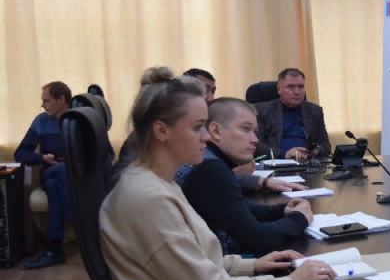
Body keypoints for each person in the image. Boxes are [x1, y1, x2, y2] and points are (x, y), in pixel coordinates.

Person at [100, 67, 354, 280]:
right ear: (161, 130)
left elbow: (192, 263)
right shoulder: (147, 198)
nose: (206, 137)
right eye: (197, 127)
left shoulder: (156, 182)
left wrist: (252, 265)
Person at [111, 68, 304, 193]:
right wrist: (243, 178)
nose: (210, 98)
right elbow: (201, 177)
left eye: (213, 91)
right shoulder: (144, 144)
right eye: (204, 90)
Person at [176, 97, 313, 256]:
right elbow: (256, 238)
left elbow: (237, 206)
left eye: (254, 131)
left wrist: (281, 210)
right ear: (216, 131)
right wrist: (299, 219)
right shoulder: (212, 169)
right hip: (218, 265)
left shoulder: (205, 159)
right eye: (245, 129)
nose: (255, 140)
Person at [15, 81, 73, 269]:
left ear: (61, 99)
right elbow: (20, 153)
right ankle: (75, 217)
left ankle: (55, 250)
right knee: (59, 171)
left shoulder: (79, 119)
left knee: (53, 186)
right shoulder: (41, 121)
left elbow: (105, 153)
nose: (42, 105)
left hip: (75, 174)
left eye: (46, 101)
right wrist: (41, 157)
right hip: (50, 169)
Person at [254, 68, 331, 160]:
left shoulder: (314, 110)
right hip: (277, 162)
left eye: (301, 87)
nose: (297, 92)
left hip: (307, 162)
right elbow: (255, 143)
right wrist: (284, 154)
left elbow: (326, 145)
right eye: (291, 87)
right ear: (279, 89)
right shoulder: (263, 110)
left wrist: (316, 151)